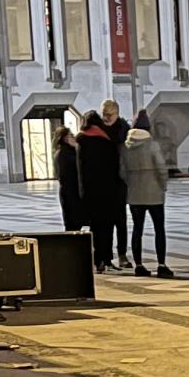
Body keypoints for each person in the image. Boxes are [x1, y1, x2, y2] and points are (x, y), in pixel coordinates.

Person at [121, 109, 172, 278]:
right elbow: (161, 168)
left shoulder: (125, 146)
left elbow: (122, 171)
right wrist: (163, 186)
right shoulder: (152, 144)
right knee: (159, 229)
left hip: (134, 194)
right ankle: (162, 264)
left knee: (137, 229)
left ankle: (139, 265)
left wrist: (131, 184)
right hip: (154, 193)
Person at [75, 109, 126, 272]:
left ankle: (98, 261)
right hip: (108, 191)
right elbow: (115, 167)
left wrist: (82, 193)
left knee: (96, 228)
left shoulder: (81, 140)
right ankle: (108, 259)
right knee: (108, 226)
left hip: (91, 192)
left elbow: (80, 170)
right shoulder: (106, 141)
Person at [99, 99, 131, 266]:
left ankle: (122, 254)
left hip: (120, 181)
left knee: (121, 220)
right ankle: (106, 256)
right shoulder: (99, 129)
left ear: (117, 113)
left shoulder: (124, 129)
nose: (105, 117)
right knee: (105, 222)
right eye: (103, 114)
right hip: (104, 181)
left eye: (109, 114)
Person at [55, 124, 83, 232]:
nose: (74, 137)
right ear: (65, 138)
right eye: (71, 135)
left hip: (70, 193)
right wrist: (77, 147)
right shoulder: (64, 154)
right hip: (71, 194)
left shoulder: (65, 152)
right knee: (73, 225)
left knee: (73, 224)